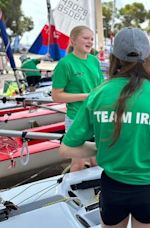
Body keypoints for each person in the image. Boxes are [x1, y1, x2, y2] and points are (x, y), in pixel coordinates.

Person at [59, 27, 150, 228]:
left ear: (114, 58)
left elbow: (66, 148)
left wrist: (99, 147)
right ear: (148, 57)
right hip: (148, 189)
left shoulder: (97, 95)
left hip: (112, 187)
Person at [52, 25, 104, 172]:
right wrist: (85, 96)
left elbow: (100, 86)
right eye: (85, 38)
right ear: (73, 41)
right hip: (76, 118)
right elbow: (56, 96)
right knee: (79, 163)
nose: (90, 42)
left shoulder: (94, 61)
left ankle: (99, 193)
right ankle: (73, 195)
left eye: (92, 39)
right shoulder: (65, 64)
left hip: (96, 117)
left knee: (97, 161)